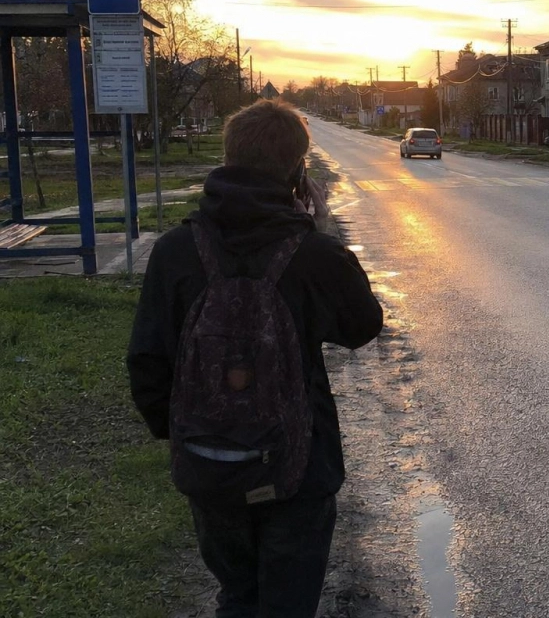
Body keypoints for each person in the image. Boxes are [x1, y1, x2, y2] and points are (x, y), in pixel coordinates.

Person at [127, 99, 383, 617]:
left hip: (209, 467)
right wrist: (321, 228)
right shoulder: (312, 255)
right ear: (296, 170)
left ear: (226, 159)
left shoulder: (176, 250)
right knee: (288, 603)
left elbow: (147, 363)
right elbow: (363, 327)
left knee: (237, 597)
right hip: (299, 468)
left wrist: (192, 432)